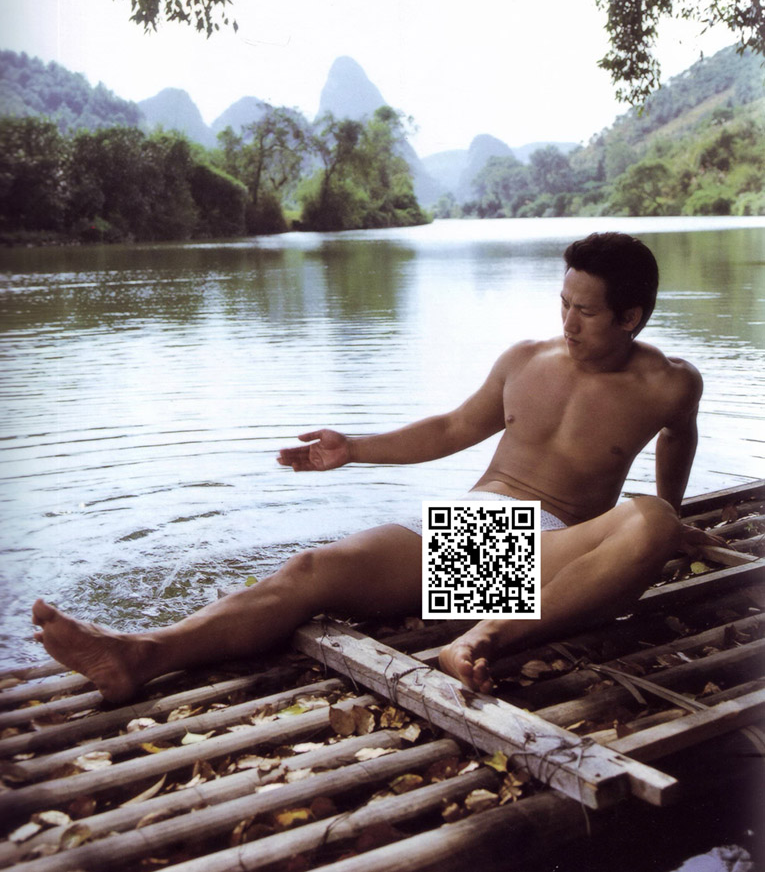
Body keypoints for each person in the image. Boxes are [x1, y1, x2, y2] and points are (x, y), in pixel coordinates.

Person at [33, 232, 714, 702]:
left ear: (630, 316)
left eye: (585, 312)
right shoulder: (525, 360)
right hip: (469, 539)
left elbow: (676, 438)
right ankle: (141, 652)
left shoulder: (669, 384)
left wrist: (673, 511)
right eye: (563, 303)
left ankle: (478, 641)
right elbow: (452, 428)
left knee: (653, 519)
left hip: (553, 549)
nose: (567, 322)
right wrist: (354, 448)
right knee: (311, 569)